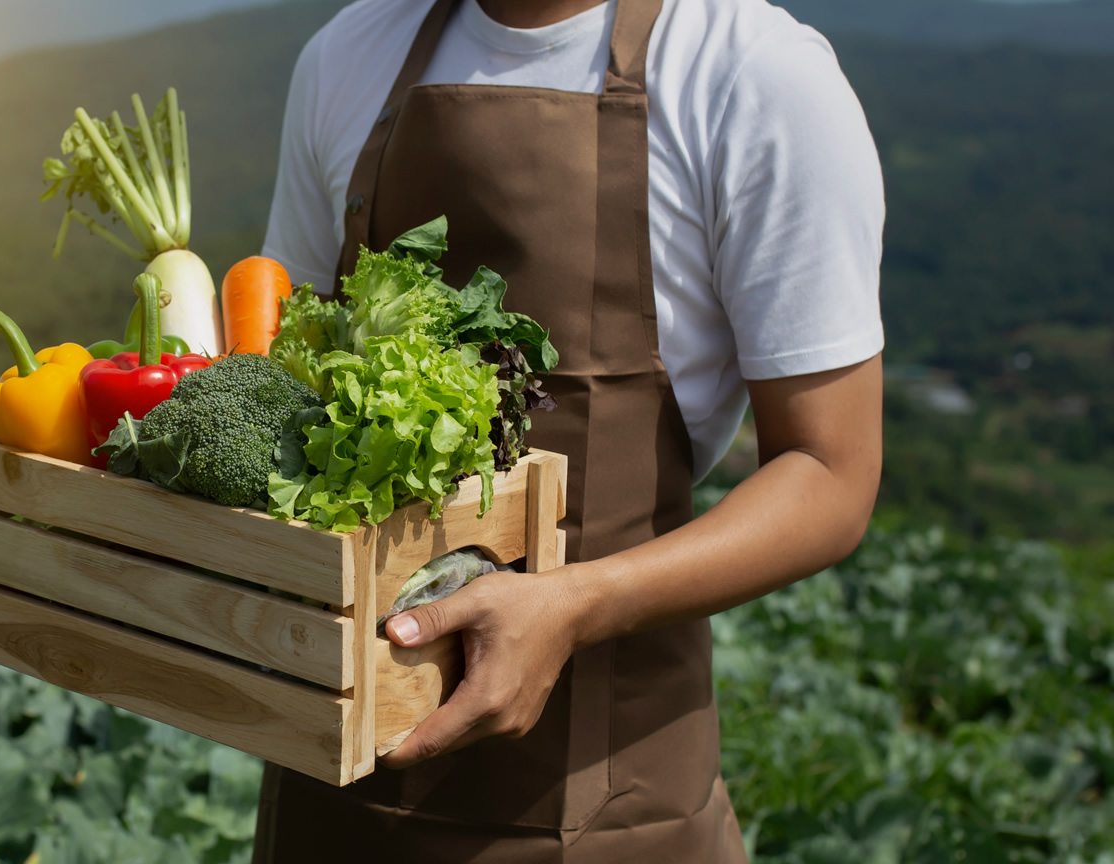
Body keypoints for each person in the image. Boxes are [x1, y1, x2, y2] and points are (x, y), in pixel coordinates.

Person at [252, 0, 885, 859]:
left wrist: (574, 605)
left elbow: (831, 472)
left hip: (609, 797)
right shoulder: (347, 55)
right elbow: (287, 377)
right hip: (332, 788)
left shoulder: (756, 75)